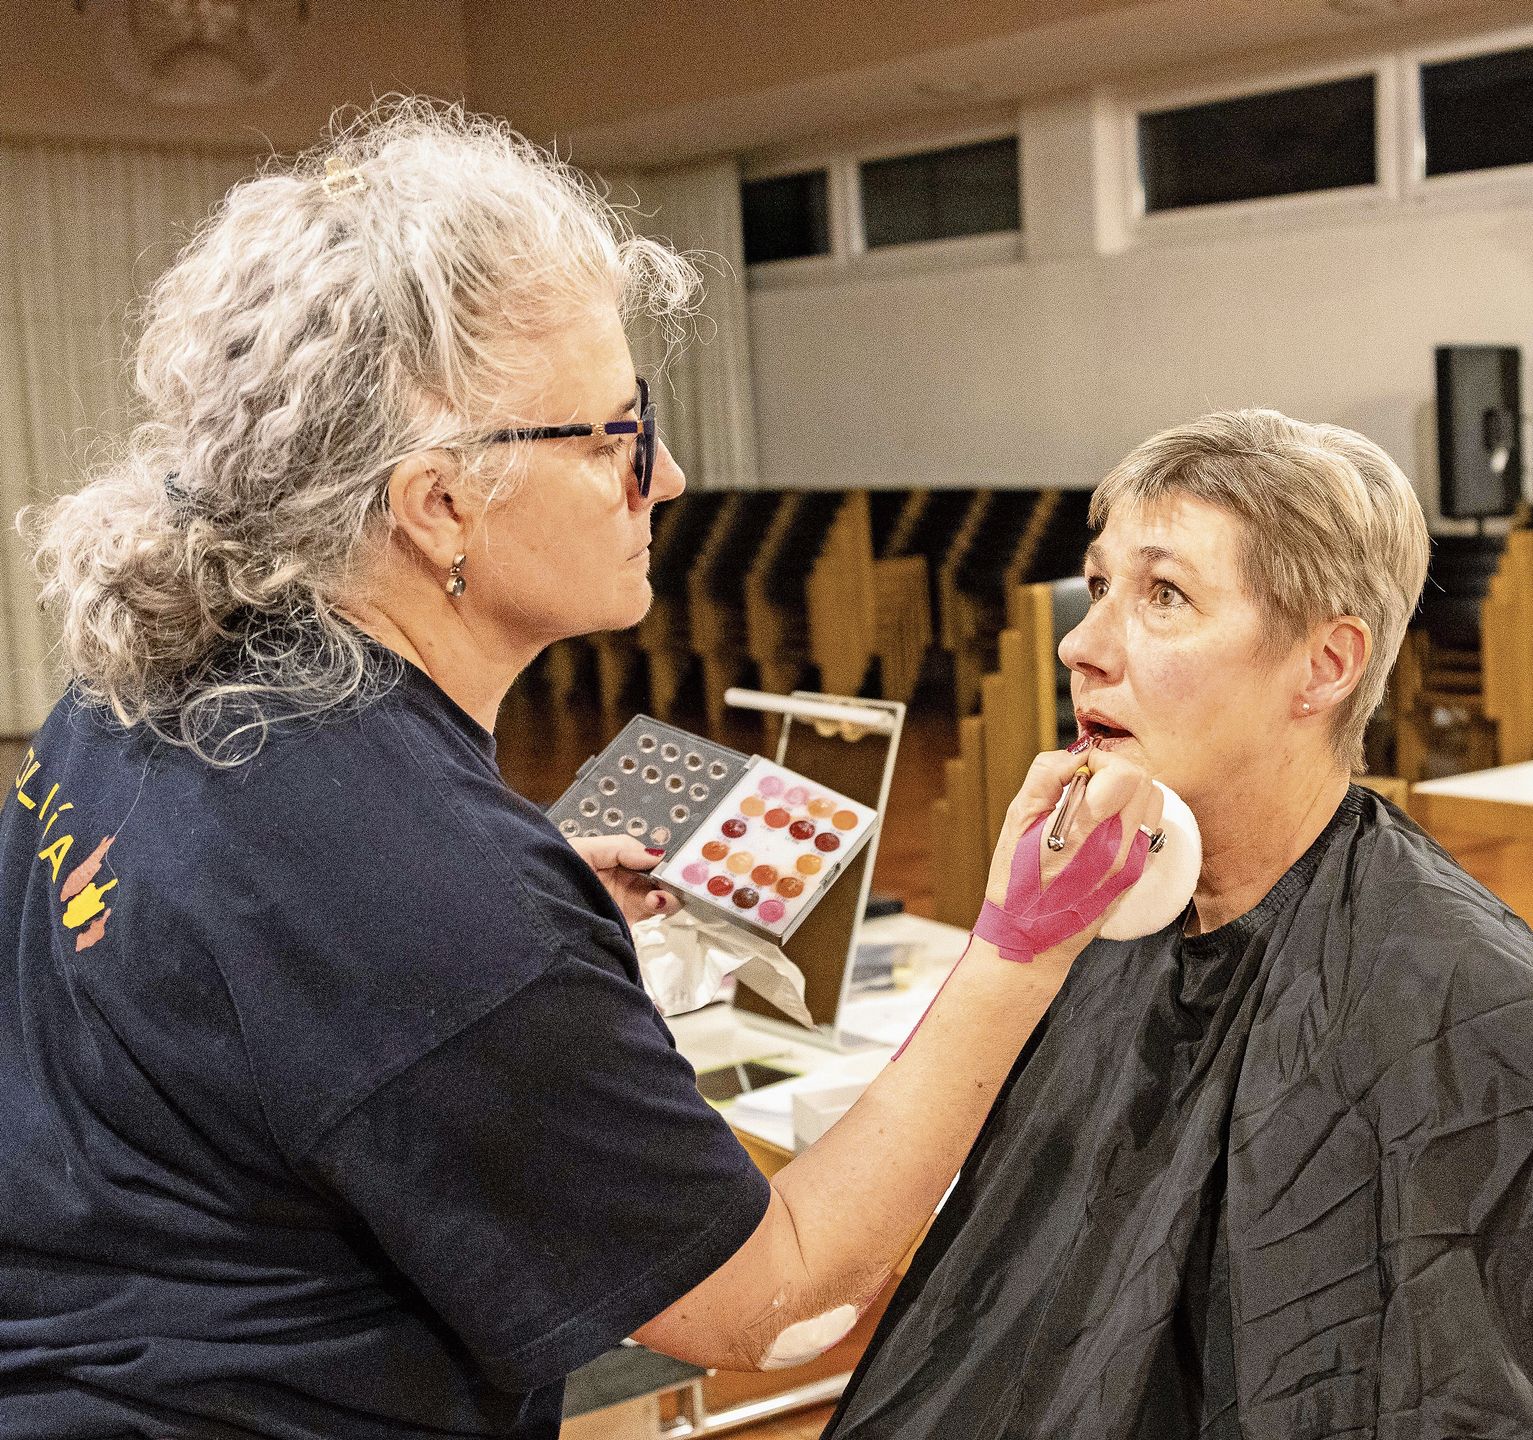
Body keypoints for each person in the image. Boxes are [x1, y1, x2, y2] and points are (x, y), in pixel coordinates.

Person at [0, 101, 1158, 1439]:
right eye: (612, 433)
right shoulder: (424, 896)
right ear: (439, 505)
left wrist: (509, 948)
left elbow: (248, 990)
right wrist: (1020, 945)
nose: (667, 475)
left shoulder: (143, 678)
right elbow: (766, 1302)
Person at [824, 410, 1533, 1440]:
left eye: (1164, 596)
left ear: (1325, 666)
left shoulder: (1471, 1011)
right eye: (1100, 582)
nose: (1080, 644)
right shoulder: (1097, 926)